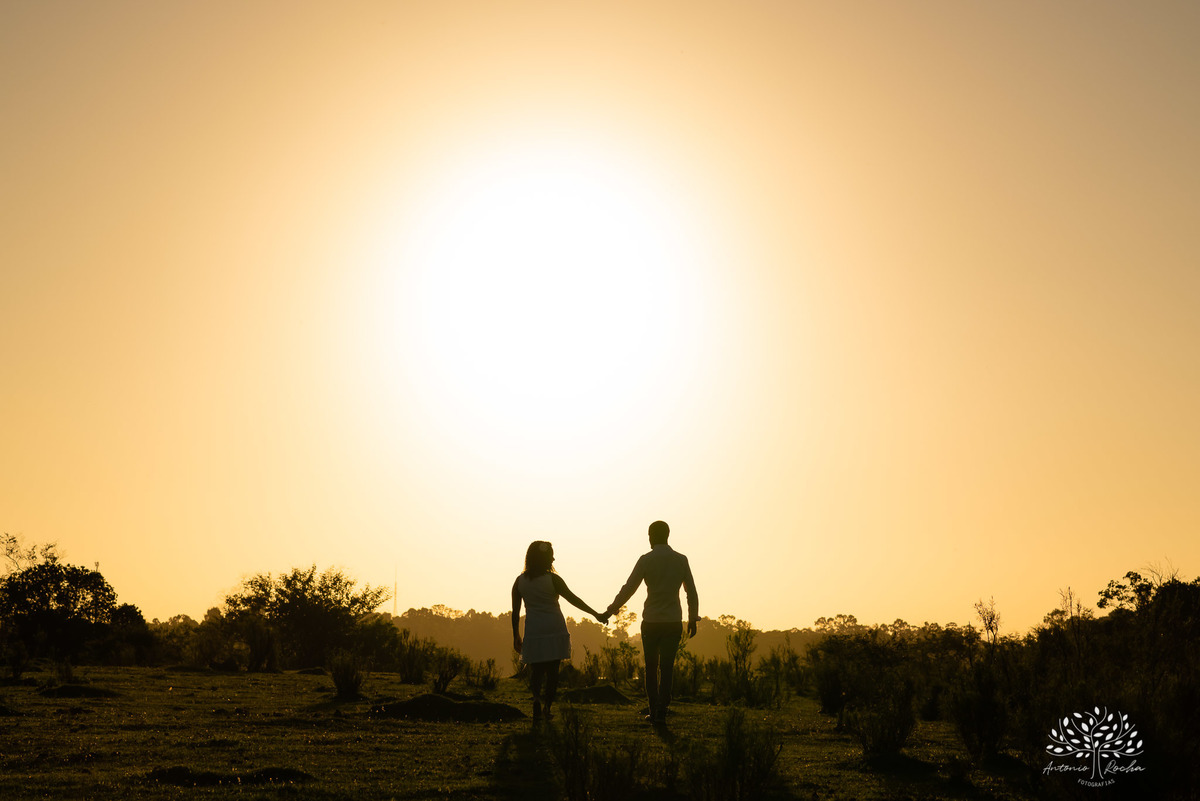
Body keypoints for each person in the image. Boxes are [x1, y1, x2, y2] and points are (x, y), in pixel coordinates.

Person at [604, 520, 699, 724]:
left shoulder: (646, 560)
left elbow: (629, 587)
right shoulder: (681, 560)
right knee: (667, 667)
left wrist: (612, 608)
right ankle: (662, 709)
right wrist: (692, 617)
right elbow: (691, 591)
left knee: (651, 666)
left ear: (652, 536)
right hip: (673, 620)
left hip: (651, 621)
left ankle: (654, 709)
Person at [512, 540, 606, 720]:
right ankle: (547, 708)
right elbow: (574, 599)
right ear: (544, 558)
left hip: (534, 630)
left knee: (536, 670)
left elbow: (515, 613)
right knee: (552, 672)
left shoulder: (519, 581)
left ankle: (536, 700)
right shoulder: (553, 579)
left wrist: (515, 635)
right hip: (554, 627)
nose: (553, 558)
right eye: (550, 556)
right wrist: (596, 614)